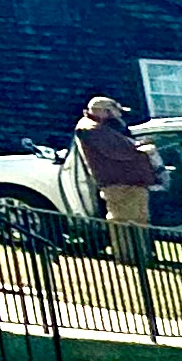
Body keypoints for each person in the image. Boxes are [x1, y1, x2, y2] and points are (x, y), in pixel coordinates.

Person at [76, 96, 159, 270]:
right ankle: (131, 258)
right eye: (115, 111)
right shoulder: (92, 129)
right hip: (120, 183)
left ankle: (140, 257)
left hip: (128, 182)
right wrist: (143, 150)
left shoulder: (100, 129)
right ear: (104, 111)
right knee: (124, 222)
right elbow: (120, 153)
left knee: (138, 220)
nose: (119, 116)